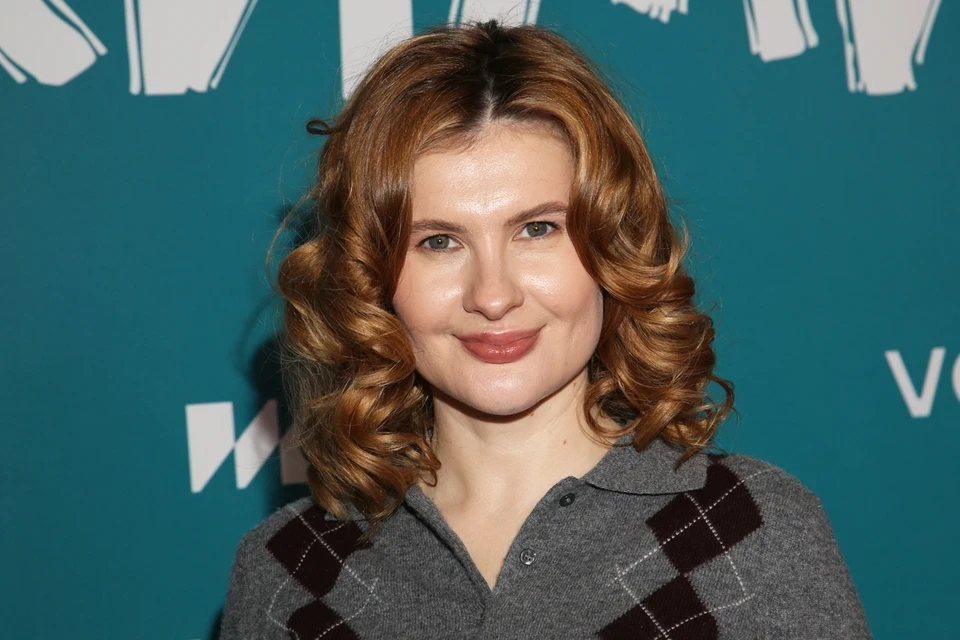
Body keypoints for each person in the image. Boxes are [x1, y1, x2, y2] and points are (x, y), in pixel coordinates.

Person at [219, 20, 871, 639]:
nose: (493, 296)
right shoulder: (289, 575)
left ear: (611, 248)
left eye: (537, 229)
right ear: (370, 279)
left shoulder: (750, 532)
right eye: (439, 241)